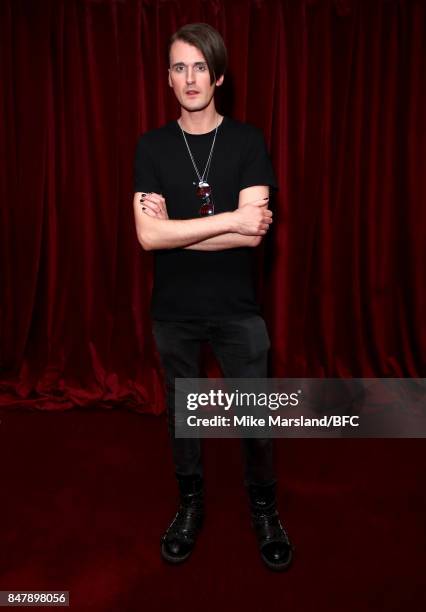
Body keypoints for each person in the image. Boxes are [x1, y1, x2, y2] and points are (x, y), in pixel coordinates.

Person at [133, 23, 294, 571]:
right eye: (179, 67)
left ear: (218, 75)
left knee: (256, 416)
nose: (190, 77)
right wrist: (227, 220)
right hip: (174, 310)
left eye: (200, 66)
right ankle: (190, 504)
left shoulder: (248, 141)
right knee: (184, 414)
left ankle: (265, 508)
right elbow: (149, 237)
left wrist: (180, 229)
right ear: (169, 80)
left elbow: (255, 235)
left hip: (236, 307)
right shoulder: (151, 147)